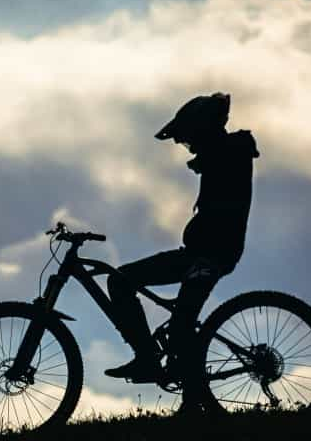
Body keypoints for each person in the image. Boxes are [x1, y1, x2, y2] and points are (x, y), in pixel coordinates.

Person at [104, 92, 259, 397]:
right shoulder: (224, 152)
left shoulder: (232, 151)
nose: (187, 146)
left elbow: (220, 157)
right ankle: (148, 358)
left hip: (212, 256)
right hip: (197, 254)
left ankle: (190, 399)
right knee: (120, 281)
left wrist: (204, 155)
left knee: (182, 326)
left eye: (189, 138)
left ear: (204, 130)